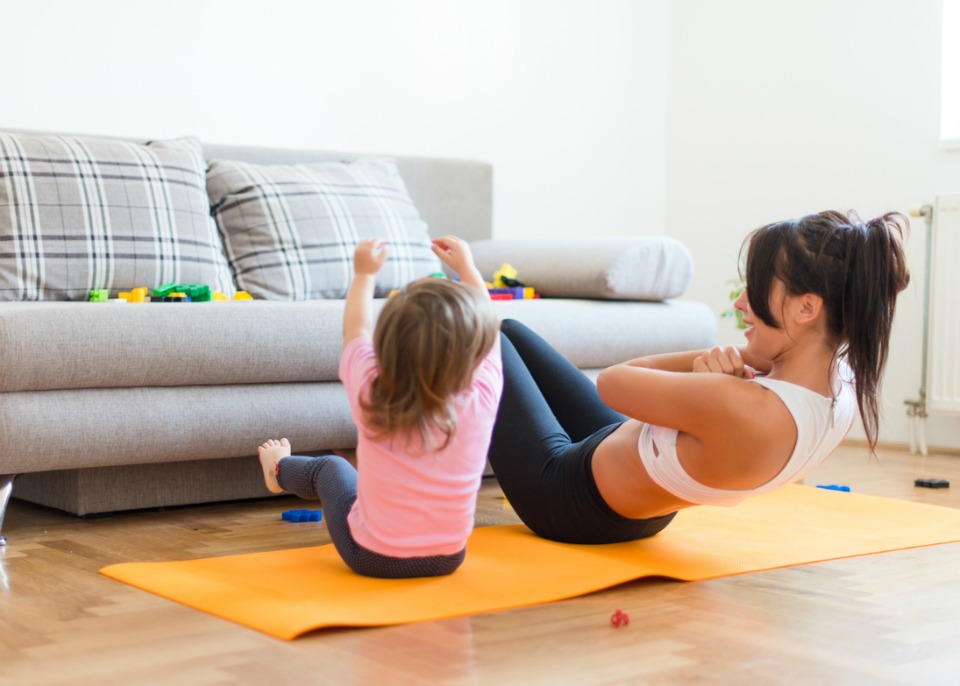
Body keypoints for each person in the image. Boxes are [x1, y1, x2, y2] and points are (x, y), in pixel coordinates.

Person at [487, 210, 910, 545]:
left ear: (806, 308)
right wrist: (741, 369)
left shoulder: (744, 403)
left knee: (483, 335)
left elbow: (613, 382)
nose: (741, 301)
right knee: (511, 329)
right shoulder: (844, 388)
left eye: (756, 286)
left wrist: (719, 365)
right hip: (639, 505)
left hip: (563, 496)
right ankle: (473, 288)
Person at [258, 236, 502, 578]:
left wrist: (363, 276)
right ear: (475, 348)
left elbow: (355, 330)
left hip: (371, 558)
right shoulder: (484, 396)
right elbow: (491, 330)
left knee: (331, 468)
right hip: (449, 556)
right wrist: (468, 270)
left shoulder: (375, 392)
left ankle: (279, 469)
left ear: (388, 346)